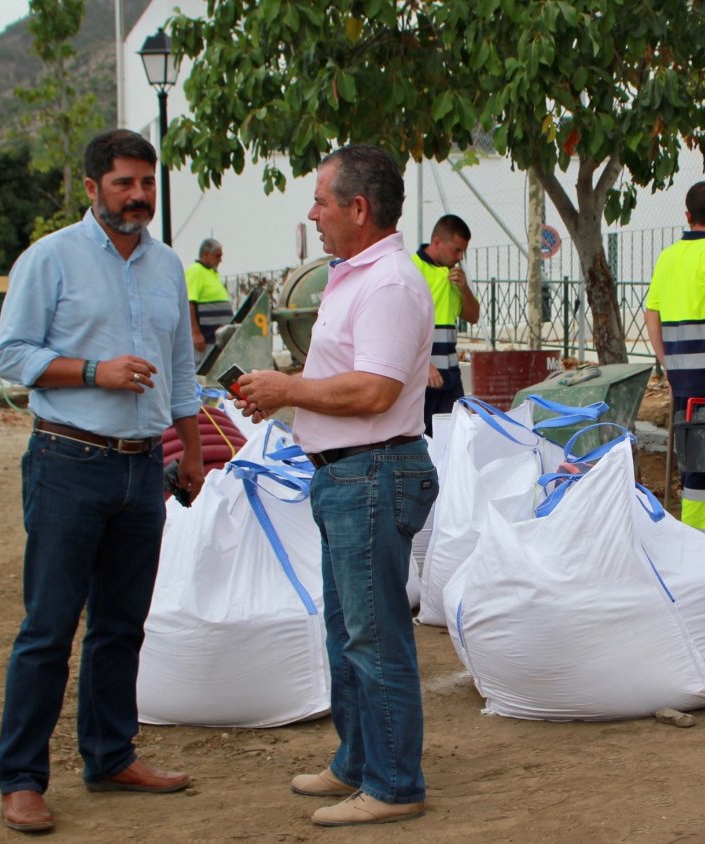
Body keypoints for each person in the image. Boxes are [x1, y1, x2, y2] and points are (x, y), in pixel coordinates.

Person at [0, 128, 205, 833]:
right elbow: (12, 355)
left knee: (121, 626)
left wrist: (195, 452)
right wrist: (94, 371)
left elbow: (181, 370)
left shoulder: (168, 265)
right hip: (67, 461)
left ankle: (111, 755)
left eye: (146, 182)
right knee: (49, 628)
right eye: (123, 183)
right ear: (91, 188)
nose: (139, 195)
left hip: (143, 467)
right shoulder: (49, 259)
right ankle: (21, 779)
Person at [233, 144, 438, 828]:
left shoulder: (387, 283)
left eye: (322, 201)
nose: (313, 214)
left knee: (374, 635)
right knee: (347, 630)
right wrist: (288, 394)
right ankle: (358, 761)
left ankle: (394, 783)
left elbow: (375, 390)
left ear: (359, 208)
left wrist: (289, 387)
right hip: (347, 474)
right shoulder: (354, 276)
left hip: (372, 472)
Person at [645, 180, 705, 537]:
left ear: (687, 216)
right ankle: (703, 543)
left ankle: (694, 538)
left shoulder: (668, 257)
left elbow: (651, 315)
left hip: (683, 380)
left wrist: (668, 364)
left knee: (690, 461)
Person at [411, 215, 479, 434]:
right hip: (421, 378)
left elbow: (473, 316)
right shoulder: (412, 269)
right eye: (456, 250)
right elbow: (401, 328)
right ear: (437, 242)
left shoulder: (454, 274)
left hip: (450, 377)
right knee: (420, 440)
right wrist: (424, 365)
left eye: (463, 252)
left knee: (456, 438)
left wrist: (465, 289)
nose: (459, 258)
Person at [185, 237, 233, 354]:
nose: (220, 260)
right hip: (206, 338)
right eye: (218, 256)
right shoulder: (196, 271)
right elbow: (188, 303)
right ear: (206, 254)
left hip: (217, 339)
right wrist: (195, 333)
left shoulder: (212, 272)